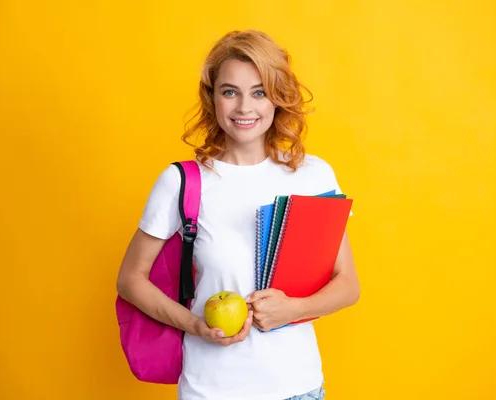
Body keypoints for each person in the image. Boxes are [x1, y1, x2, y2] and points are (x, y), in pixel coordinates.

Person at [116, 30, 360, 400]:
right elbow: (130, 279)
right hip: (211, 389)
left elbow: (348, 285)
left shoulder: (313, 176)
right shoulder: (183, 182)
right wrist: (196, 326)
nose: (245, 107)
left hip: (298, 387)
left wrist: (293, 309)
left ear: (278, 98)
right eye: (230, 91)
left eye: (259, 92)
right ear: (212, 98)